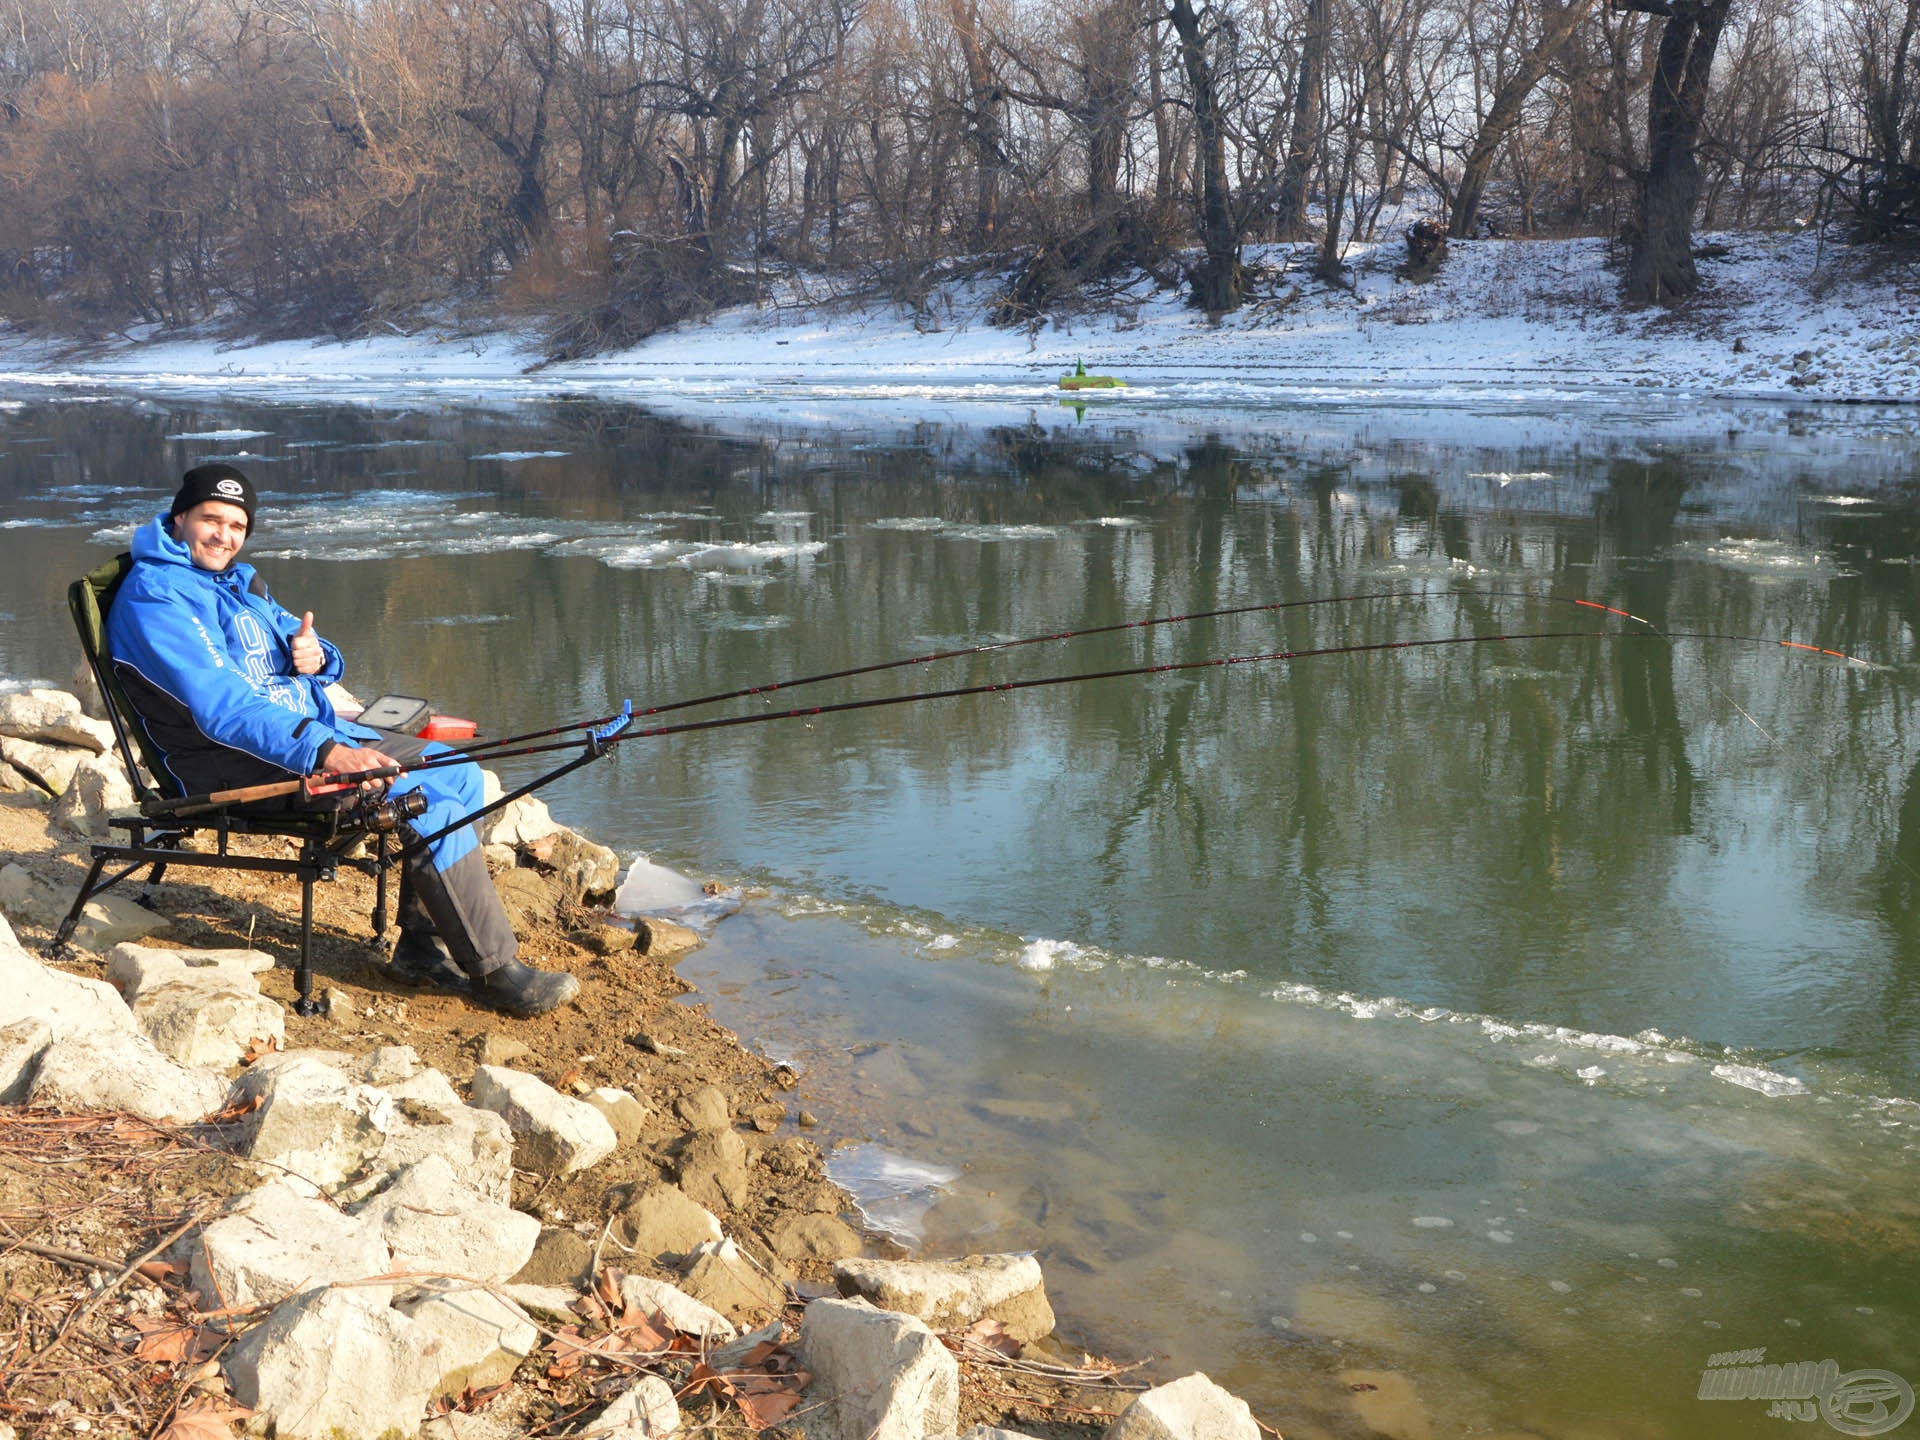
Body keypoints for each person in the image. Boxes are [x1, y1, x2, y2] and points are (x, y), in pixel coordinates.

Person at [103, 462, 579, 1017]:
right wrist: (328, 751)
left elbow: (302, 641)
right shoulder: (158, 597)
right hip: (236, 762)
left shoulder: (236, 582)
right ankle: (497, 969)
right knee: (419, 800)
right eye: (212, 520)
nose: (224, 536)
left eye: (237, 526)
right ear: (181, 517)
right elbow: (222, 709)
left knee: (456, 771)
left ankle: (422, 947)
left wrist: (319, 656)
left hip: (303, 736)